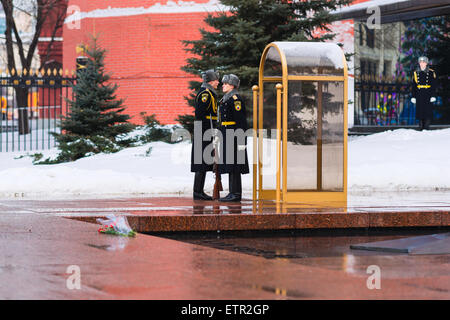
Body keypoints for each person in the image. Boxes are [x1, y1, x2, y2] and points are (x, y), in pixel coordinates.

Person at [217, 74, 249, 202]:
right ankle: (232, 192)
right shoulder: (226, 98)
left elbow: (241, 122)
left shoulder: (235, 99)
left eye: (225, 84)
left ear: (232, 85)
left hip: (234, 134)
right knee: (230, 164)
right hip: (226, 133)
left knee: (234, 165)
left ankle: (236, 194)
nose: (223, 85)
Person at [191, 69, 219, 200]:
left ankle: (199, 190)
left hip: (206, 130)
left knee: (204, 161)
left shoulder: (209, 93)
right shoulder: (206, 94)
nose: (218, 82)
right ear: (211, 81)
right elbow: (201, 114)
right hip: (203, 130)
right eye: (216, 80)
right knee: (201, 162)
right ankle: (197, 192)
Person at [411, 56, 438, 130]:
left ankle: (426, 125)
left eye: (423, 62)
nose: (422, 64)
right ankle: (420, 125)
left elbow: (434, 85)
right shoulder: (415, 73)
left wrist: (433, 95)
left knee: (427, 110)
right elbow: (414, 86)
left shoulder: (431, 72)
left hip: (428, 93)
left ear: (426, 63)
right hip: (419, 93)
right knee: (420, 109)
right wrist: (413, 96)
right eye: (420, 62)